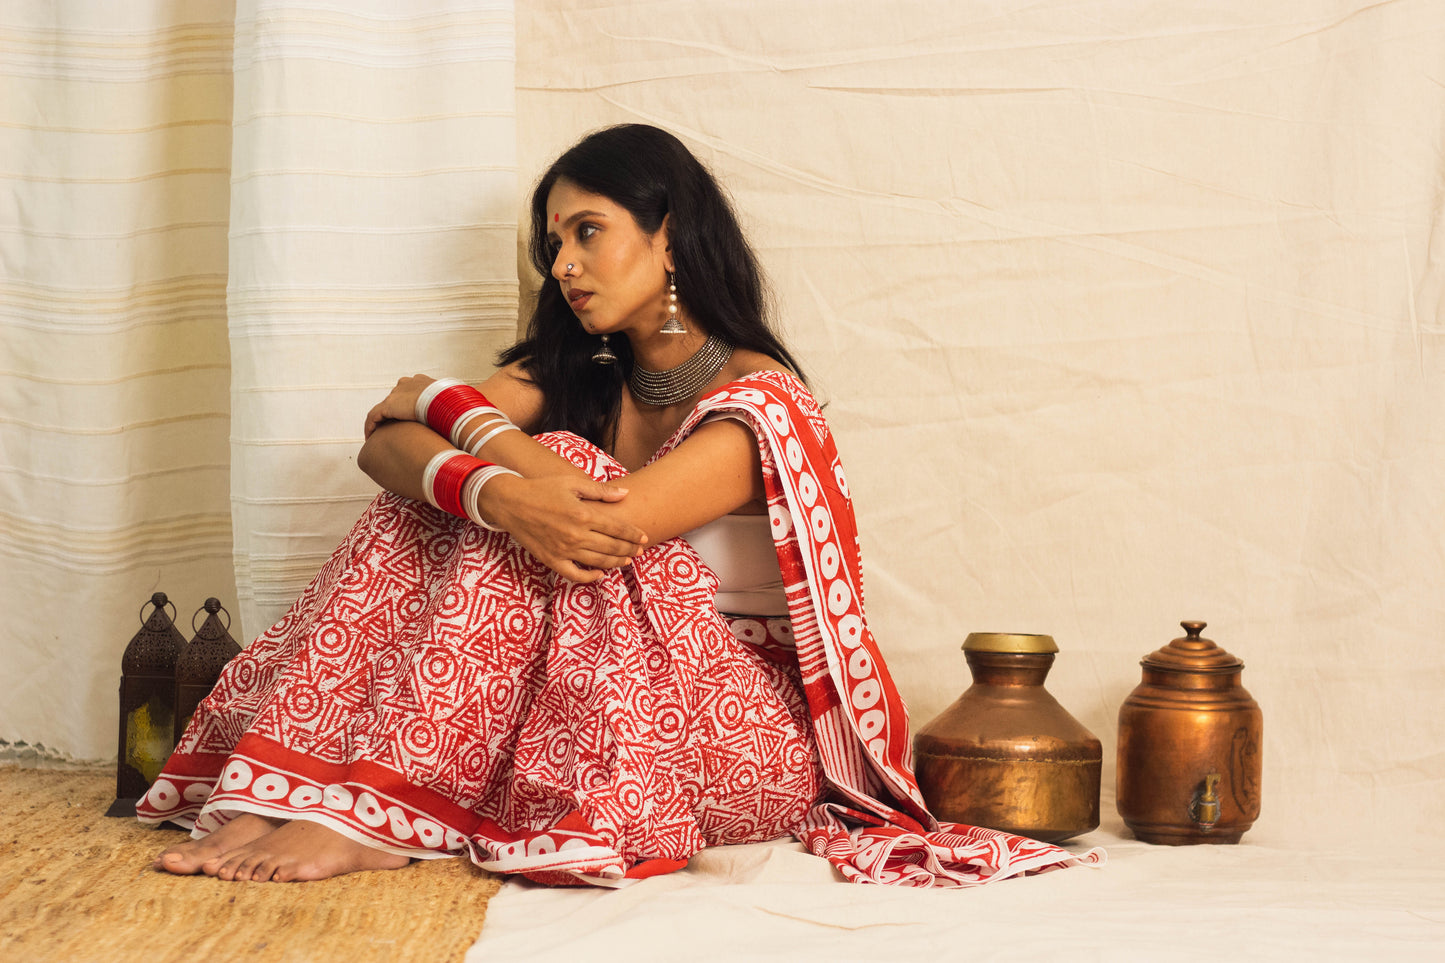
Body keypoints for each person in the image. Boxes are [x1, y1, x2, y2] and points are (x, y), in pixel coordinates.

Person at [140, 124, 1102, 886]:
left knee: (544, 475)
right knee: (468, 495)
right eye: (552, 242)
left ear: (669, 232)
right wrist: (500, 472)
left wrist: (480, 437)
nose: (562, 263)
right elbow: (384, 441)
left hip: (736, 739)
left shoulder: (762, 403)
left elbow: (608, 522)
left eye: (586, 230)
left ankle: (369, 811)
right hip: (583, 704)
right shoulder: (580, 371)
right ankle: (325, 790)